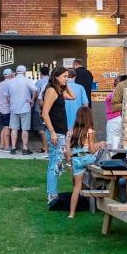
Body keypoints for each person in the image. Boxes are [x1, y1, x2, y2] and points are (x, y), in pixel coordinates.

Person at [64, 107, 105, 218]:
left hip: (76, 160)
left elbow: (67, 151)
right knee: (102, 152)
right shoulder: (89, 131)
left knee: (76, 187)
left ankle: (71, 214)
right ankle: (100, 189)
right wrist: (100, 144)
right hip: (88, 159)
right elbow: (91, 150)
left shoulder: (71, 131)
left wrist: (69, 162)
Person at [42, 66, 75, 203]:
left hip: (61, 131)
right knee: (55, 164)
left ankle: (52, 193)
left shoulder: (59, 91)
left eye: (67, 76)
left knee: (56, 164)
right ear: (56, 76)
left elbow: (73, 96)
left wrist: (66, 84)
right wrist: (52, 132)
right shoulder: (51, 91)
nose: (66, 79)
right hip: (56, 132)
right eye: (64, 76)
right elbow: (45, 113)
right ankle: (52, 195)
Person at [8, 65, 38, 155]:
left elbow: (7, 95)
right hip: (25, 107)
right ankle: (25, 149)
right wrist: (32, 100)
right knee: (25, 129)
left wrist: (11, 104)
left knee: (14, 129)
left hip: (13, 108)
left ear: (16, 72)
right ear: (24, 72)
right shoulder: (27, 80)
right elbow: (35, 90)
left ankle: (13, 148)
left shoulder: (10, 82)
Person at [104, 74, 127, 149]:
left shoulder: (114, 93)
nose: (114, 82)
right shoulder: (123, 94)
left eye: (116, 81)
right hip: (121, 119)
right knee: (120, 142)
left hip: (113, 121)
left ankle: (112, 159)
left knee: (111, 143)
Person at [34, 66, 50, 154]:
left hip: (40, 108)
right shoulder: (52, 82)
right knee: (50, 128)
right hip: (51, 109)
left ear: (40, 73)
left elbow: (36, 95)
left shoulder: (39, 82)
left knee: (41, 129)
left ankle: (45, 147)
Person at [0, 68, 13, 152]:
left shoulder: (1, 83)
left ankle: (1, 146)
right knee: (7, 127)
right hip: (8, 108)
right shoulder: (11, 83)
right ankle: (7, 147)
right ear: (11, 74)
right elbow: (9, 97)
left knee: (4, 127)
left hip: (1, 108)